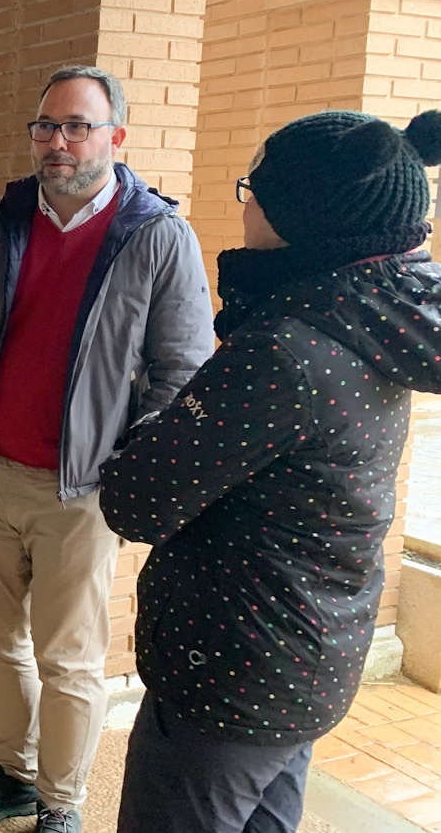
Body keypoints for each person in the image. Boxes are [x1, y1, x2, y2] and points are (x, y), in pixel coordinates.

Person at [0, 65, 215, 833]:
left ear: (116, 137)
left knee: (69, 659)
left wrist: (131, 471)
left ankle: (61, 804)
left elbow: (183, 371)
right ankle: (13, 773)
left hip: (84, 491)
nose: (58, 142)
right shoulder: (0, 222)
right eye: (46, 126)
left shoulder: (158, 236)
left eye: (77, 126)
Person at [100, 108, 441, 833]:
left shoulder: (288, 348)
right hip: (308, 649)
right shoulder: (380, 315)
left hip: (231, 668)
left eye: (253, 188)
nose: (245, 202)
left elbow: (137, 500)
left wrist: (156, 419)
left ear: (302, 217)